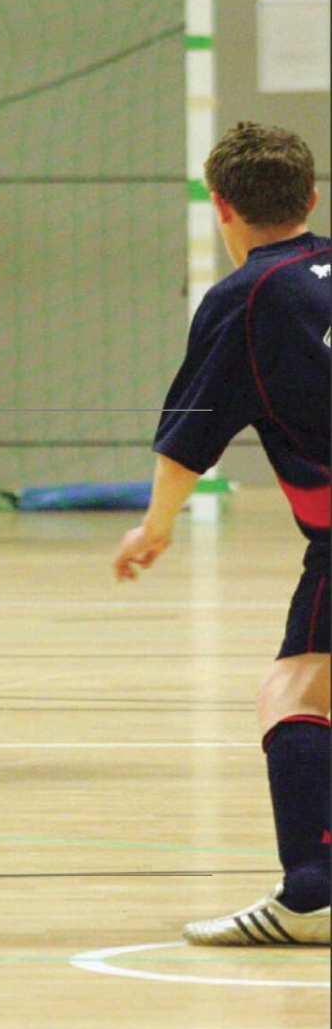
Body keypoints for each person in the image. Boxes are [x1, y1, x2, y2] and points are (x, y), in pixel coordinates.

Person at [113, 122, 330, 947]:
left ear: (220, 206)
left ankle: (310, 896)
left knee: (295, 691)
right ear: (310, 199)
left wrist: (153, 529)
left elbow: (191, 432)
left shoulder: (244, 298)